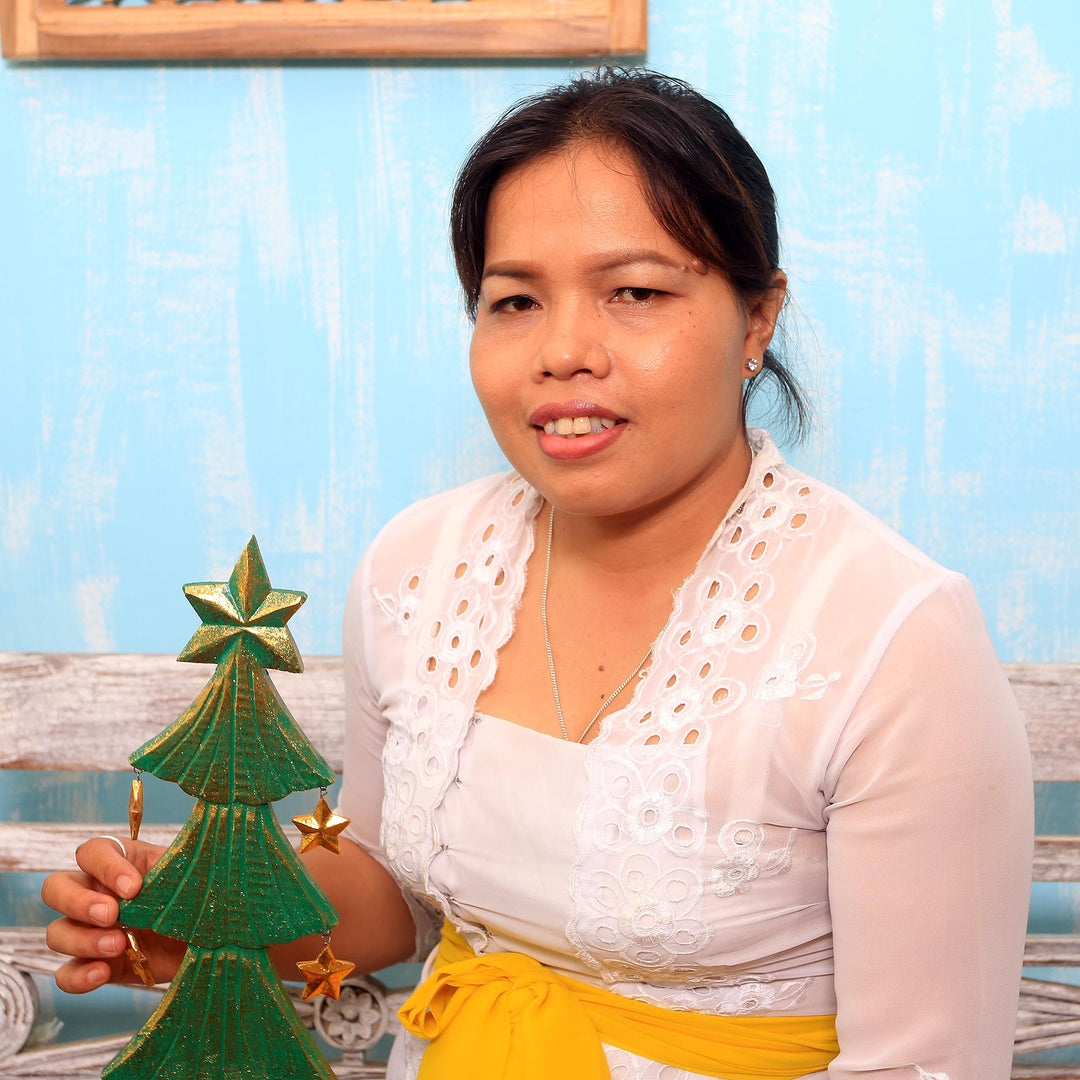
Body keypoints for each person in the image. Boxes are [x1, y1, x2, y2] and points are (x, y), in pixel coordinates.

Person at [41, 68, 1033, 1080]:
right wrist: (205, 917)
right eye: (514, 300)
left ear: (757, 318)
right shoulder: (419, 573)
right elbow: (390, 891)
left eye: (635, 292)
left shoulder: (894, 641)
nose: (562, 351)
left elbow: (926, 1067)